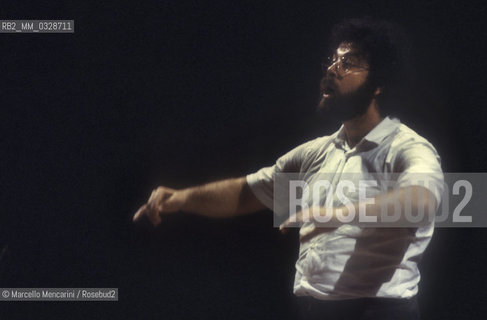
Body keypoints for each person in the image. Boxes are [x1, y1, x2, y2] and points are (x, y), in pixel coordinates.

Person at [133, 18, 444, 320]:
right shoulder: (317, 152)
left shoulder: (406, 147)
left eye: (348, 63)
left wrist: (336, 214)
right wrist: (183, 198)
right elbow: (246, 193)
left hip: (379, 311)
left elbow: (421, 200)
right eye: (332, 60)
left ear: (377, 84)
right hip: (314, 309)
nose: (333, 69)